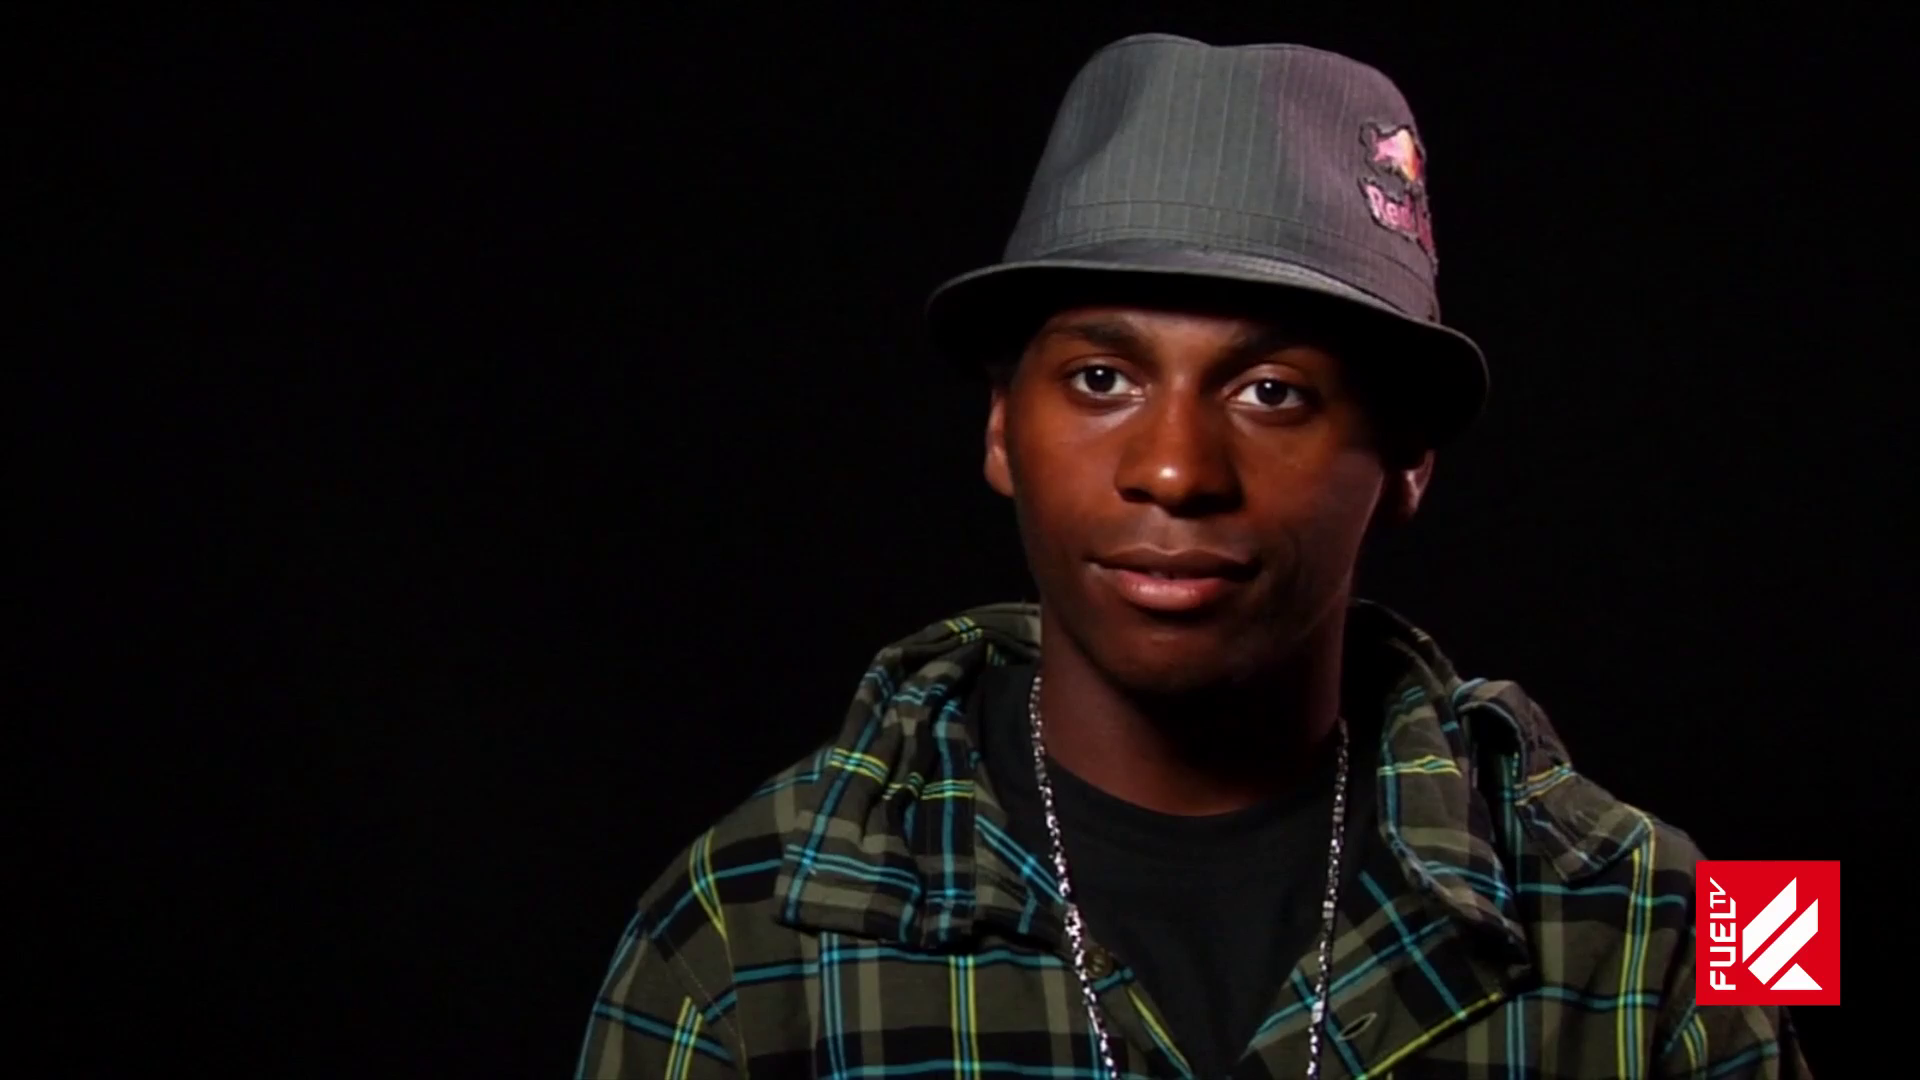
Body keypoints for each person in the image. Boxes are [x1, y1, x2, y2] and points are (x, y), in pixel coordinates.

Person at [577, 33, 1810, 1079]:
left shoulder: (1679, 917)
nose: (1173, 469)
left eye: (1273, 391)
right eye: (1100, 379)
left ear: (1405, 463)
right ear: (1002, 428)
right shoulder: (731, 929)